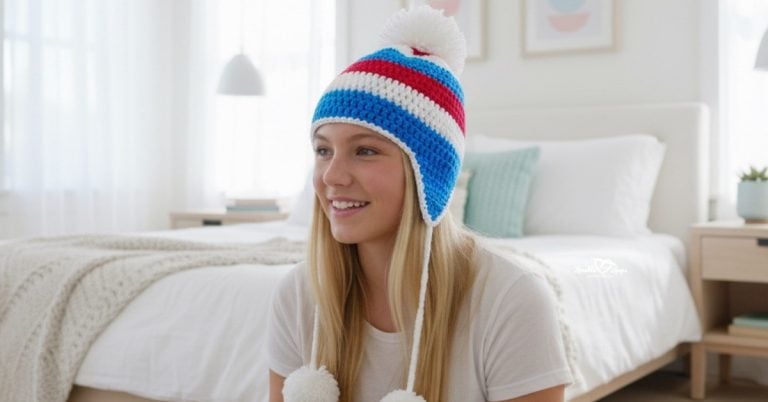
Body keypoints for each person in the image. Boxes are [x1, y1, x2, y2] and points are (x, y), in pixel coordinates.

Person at [267, 6, 573, 402]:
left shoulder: (510, 300)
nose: (331, 176)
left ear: (428, 174)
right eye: (323, 150)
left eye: (364, 150)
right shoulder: (298, 293)